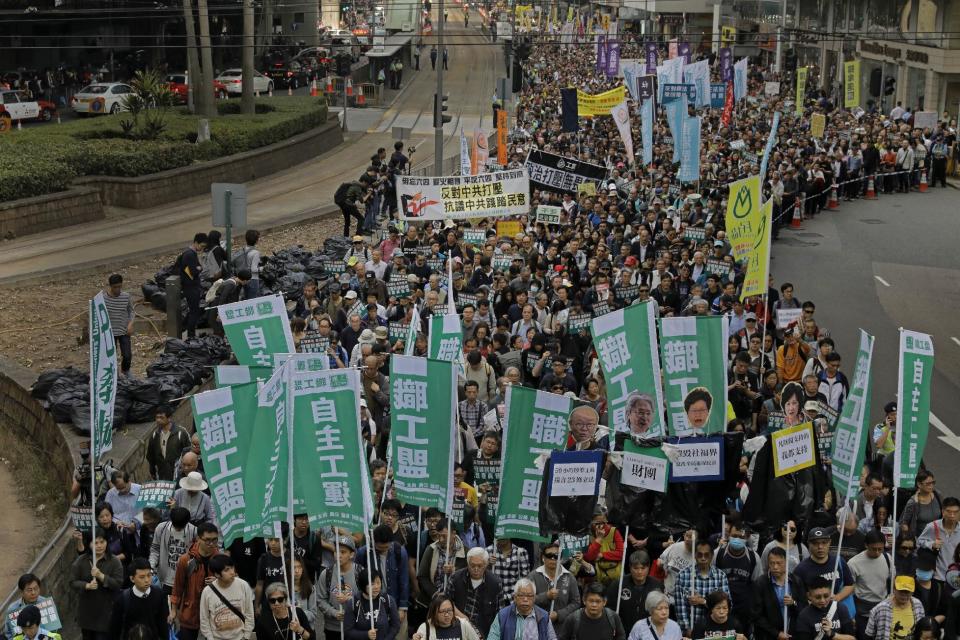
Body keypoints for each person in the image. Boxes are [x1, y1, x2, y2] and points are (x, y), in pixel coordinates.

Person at [71, 527, 124, 640]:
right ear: (89, 544)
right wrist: (86, 586)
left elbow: (118, 584)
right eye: (95, 543)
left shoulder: (114, 561)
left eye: (102, 542)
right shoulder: (81, 561)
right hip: (86, 613)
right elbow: (72, 582)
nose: (99, 546)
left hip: (106, 613)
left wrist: (101, 576)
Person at [171, 522, 221, 640]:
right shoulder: (186, 560)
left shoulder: (221, 559)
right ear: (198, 539)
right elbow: (177, 587)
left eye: (215, 540)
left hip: (214, 614)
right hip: (190, 612)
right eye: (207, 540)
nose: (211, 544)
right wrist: (173, 610)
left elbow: (230, 583)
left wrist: (218, 581)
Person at [675, 538, 731, 636]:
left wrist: (703, 601)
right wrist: (687, 628)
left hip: (714, 630)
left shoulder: (720, 576)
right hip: (691, 628)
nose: (703, 558)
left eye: (706, 555)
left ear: (712, 555)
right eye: (700, 554)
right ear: (695, 555)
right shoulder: (683, 575)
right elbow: (680, 606)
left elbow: (728, 605)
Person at [794, 527, 855, 616]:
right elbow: (799, 597)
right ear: (809, 544)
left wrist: (837, 597)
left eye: (824, 542)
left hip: (839, 613)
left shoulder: (839, 562)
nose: (820, 547)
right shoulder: (801, 569)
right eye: (815, 543)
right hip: (815, 616)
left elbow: (850, 585)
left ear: (829, 542)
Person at [752, 546, 807, 640]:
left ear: (786, 563)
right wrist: (776, 633)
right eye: (772, 563)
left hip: (793, 634)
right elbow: (756, 616)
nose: (775, 567)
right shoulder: (761, 583)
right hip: (768, 636)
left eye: (779, 563)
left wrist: (793, 603)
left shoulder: (796, 581)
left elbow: (804, 609)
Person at [848, 530, 894, 639]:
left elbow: (893, 580)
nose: (877, 552)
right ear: (866, 545)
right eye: (874, 549)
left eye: (880, 549)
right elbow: (849, 589)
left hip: (882, 610)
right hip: (862, 612)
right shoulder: (853, 563)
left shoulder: (888, 558)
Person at [110, 557, 170, 639]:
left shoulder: (160, 595)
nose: (147, 580)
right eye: (142, 577)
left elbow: (163, 626)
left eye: (149, 575)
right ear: (132, 578)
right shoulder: (122, 599)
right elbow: (114, 630)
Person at [445, 547, 501, 635]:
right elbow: (445, 602)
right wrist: (462, 617)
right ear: (467, 563)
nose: (476, 569)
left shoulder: (495, 583)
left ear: (486, 564)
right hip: (457, 628)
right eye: (472, 565)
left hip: (484, 632)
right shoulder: (455, 578)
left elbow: (500, 614)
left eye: (480, 566)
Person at [199, 554, 255, 640]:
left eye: (232, 567)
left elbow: (249, 613)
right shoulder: (207, 592)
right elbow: (204, 619)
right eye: (226, 570)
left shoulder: (243, 585)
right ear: (217, 574)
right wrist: (210, 638)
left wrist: (246, 636)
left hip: (240, 637)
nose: (232, 572)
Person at [528, 540, 580, 633]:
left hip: (562, 629)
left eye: (556, 556)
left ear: (561, 558)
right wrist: (546, 596)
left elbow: (576, 603)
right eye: (549, 556)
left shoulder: (569, 577)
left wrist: (558, 615)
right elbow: (526, 599)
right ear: (543, 557)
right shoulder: (533, 576)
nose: (553, 559)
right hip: (537, 627)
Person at [606, 550, 662, 632]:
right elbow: (609, 610)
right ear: (630, 567)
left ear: (648, 568)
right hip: (623, 632)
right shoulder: (618, 584)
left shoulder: (657, 586)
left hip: (649, 632)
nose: (639, 572)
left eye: (643, 568)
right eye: (635, 568)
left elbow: (661, 612)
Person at [487, 578, 556, 640]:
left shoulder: (544, 616)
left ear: (534, 598)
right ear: (515, 597)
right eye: (521, 595)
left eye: (529, 596)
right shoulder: (502, 616)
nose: (525, 599)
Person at [918, 496, 960, 597]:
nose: (952, 515)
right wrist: (931, 544)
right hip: (937, 576)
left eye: (956, 512)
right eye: (949, 511)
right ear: (943, 511)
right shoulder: (932, 526)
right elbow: (919, 541)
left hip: (956, 577)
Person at [150, 506, 197, 594]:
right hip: (165, 578)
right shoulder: (161, 528)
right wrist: (151, 566)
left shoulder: (194, 531)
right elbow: (155, 549)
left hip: (185, 579)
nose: (178, 529)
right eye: (176, 526)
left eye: (181, 527)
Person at [863, 575, 925, 640]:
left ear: (912, 592)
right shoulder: (880, 609)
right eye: (901, 591)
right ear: (894, 590)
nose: (904, 595)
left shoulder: (918, 605)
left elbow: (921, 630)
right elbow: (869, 634)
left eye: (907, 592)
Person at [558, 582, 626, 640]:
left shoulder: (613, 617)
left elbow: (621, 637)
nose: (594, 605)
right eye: (591, 601)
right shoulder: (572, 619)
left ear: (604, 602)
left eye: (598, 601)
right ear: (584, 600)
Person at [346, 569, 400, 640]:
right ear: (363, 585)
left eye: (378, 582)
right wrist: (366, 634)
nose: (376, 587)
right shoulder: (353, 603)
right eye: (372, 584)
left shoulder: (388, 600)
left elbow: (395, 626)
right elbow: (348, 631)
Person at [146, 405, 192, 481]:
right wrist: (152, 472)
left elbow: (189, 452)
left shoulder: (181, 433)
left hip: (178, 476)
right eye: (157, 417)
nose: (158, 420)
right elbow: (151, 457)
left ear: (169, 418)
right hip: (161, 476)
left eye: (161, 417)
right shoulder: (155, 435)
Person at [412, 593, 481, 640]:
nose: (447, 615)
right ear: (434, 613)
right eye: (442, 611)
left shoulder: (463, 624)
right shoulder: (425, 628)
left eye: (450, 610)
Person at [178, 232, 208, 338]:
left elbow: (198, 267)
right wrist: (198, 268)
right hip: (190, 286)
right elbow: (194, 271)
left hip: (191, 286)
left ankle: (189, 331)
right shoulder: (190, 254)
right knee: (194, 311)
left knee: (194, 311)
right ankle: (191, 335)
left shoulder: (191, 253)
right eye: (201, 246)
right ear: (196, 242)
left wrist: (198, 268)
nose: (201, 248)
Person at [103, 273, 134, 375]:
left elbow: (131, 311)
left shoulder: (126, 297)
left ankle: (125, 370)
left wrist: (130, 324)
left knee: (127, 355)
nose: (117, 289)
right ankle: (112, 374)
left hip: (124, 330)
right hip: (110, 332)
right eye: (115, 287)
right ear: (110, 286)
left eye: (119, 287)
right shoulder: (104, 299)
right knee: (111, 356)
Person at [3, 575, 50, 640]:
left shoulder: (46, 603)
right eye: (29, 590)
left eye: (36, 589)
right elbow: (8, 633)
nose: (33, 593)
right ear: (21, 592)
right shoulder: (13, 608)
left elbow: (54, 627)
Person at [231, 229, 262, 299]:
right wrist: (263, 268)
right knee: (253, 299)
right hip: (253, 279)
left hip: (242, 279)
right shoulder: (255, 253)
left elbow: (232, 262)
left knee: (245, 298)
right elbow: (254, 269)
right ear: (257, 241)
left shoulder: (240, 251)